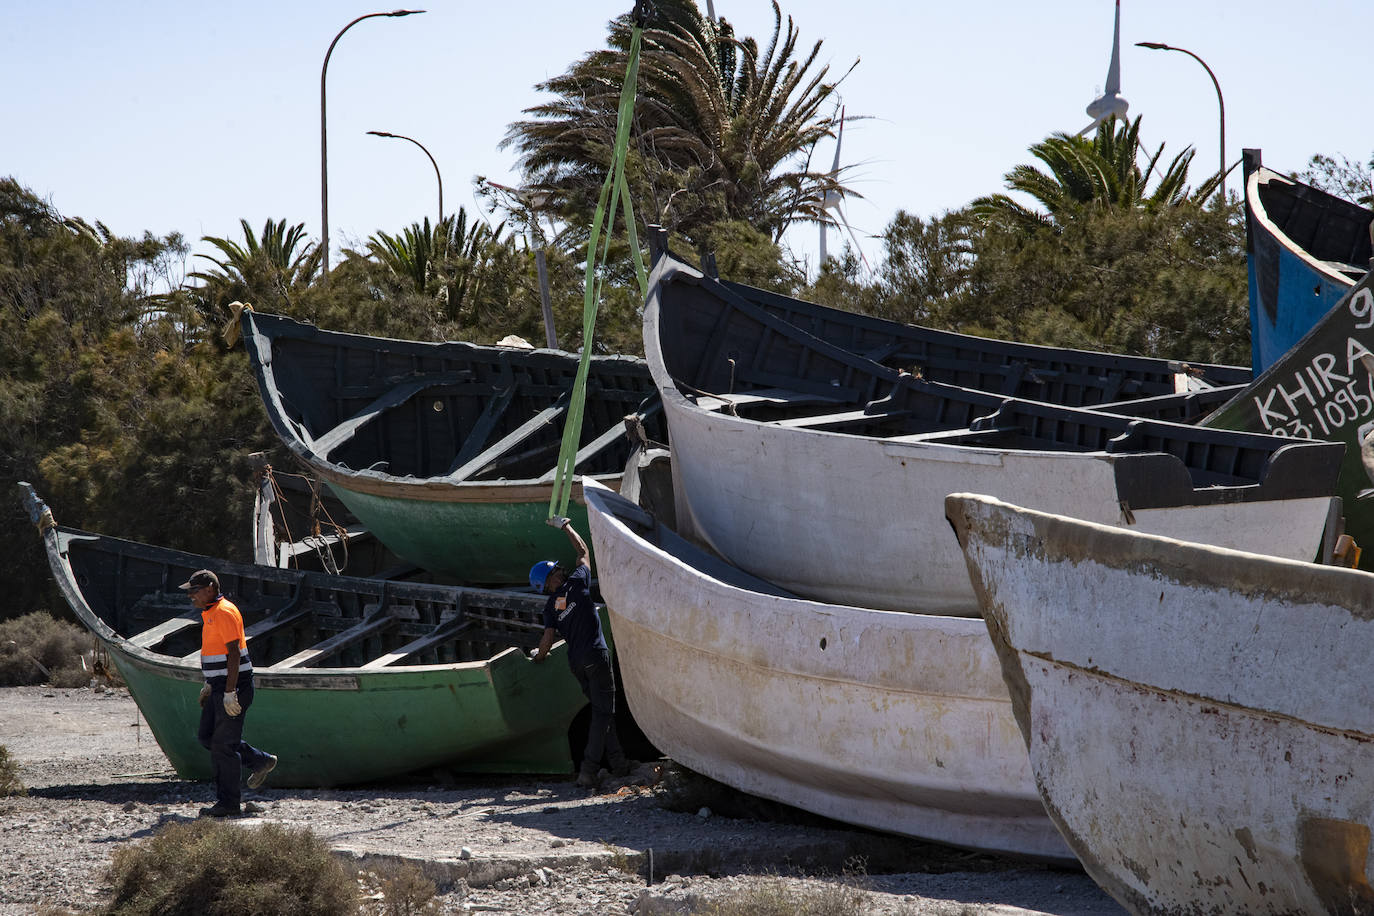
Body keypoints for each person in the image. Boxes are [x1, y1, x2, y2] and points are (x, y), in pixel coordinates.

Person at [529, 518, 634, 789]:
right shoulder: (577, 583)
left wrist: (538, 657)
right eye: (556, 570)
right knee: (602, 713)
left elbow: (547, 640)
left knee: (603, 712)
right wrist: (566, 526)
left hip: (577, 664)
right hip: (596, 656)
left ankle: (619, 765)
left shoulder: (551, 607)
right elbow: (583, 552)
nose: (561, 570)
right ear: (550, 579)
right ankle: (588, 771)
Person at [183, 569, 277, 817]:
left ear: (210, 589)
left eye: (195, 591)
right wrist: (210, 684)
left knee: (223, 746)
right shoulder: (210, 613)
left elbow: (234, 654)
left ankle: (229, 804)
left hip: (234, 686)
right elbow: (217, 653)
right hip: (220, 685)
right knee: (207, 737)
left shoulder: (224, 612)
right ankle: (260, 761)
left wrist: (229, 692)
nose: (191, 596)